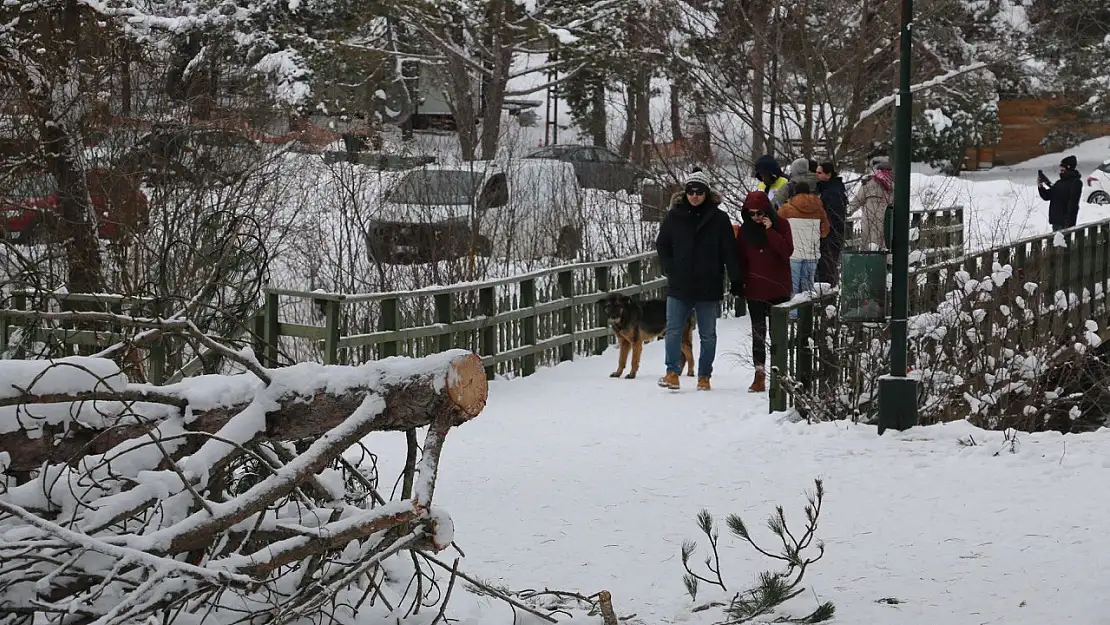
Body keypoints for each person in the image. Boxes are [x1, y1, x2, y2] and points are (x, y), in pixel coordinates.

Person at [655, 168, 743, 391]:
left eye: (699, 192)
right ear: (685, 193)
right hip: (680, 281)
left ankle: (704, 375)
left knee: (708, 334)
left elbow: (729, 251)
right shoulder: (675, 216)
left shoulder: (719, 219)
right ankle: (672, 372)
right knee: (673, 330)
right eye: (691, 192)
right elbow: (662, 243)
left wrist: (736, 279)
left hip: (708, 282)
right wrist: (670, 266)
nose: (694, 196)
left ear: (707, 194)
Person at [734, 191, 793, 393]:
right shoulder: (744, 232)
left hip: (778, 287)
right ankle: (759, 373)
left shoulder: (782, 225)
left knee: (778, 333)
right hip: (755, 288)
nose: (756, 217)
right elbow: (741, 259)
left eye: (760, 213)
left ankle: (781, 374)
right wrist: (739, 282)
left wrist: (770, 232)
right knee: (758, 333)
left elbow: (786, 251)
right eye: (751, 214)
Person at [778, 181, 830, 300]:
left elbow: (778, 229)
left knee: (793, 288)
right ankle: (806, 315)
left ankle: (793, 315)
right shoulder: (819, 210)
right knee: (808, 287)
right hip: (812, 253)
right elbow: (825, 232)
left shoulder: (786, 209)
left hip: (793, 253)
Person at [815, 161, 849, 286]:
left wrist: (826, 230)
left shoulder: (832, 193)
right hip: (830, 235)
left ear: (828, 175)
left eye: (819, 173)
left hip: (830, 236)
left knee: (827, 269)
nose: (816, 175)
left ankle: (828, 298)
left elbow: (834, 216)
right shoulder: (829, 189)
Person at [851, 155, 894, 252]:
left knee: (884, 253)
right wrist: (846, 211)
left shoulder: (892, 188)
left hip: (886, 228)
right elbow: (857, 201)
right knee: (870, 252)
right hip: (871, 226)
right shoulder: (869, 184)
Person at [1038, 155, 1083, 231]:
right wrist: (1040, 187)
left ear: (1069, 167)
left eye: (1063, 167)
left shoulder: (1076, 183)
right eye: (1061, 167)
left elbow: (1073, 204)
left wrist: (1068, 222)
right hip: (1056, 222)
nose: (1061, 169)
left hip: (1066, 224)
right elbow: (1047, 196)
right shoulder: (1059, 183)